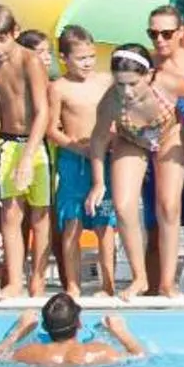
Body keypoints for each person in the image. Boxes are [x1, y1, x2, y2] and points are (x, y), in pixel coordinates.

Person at [0, 4, 54, 300]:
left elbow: (42, 112)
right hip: (9, 143)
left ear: (15, 33)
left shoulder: (29, 61)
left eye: (1, 39)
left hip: (35, 145)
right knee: (10, 214)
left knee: (40, 215)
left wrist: (28, 156)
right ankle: (14, 281)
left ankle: (37, 279)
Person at [90, 45, 177, 297]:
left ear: (149, 75)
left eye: (132, 84)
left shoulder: (167, 84)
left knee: (169, 206)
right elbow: (97, 140)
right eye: (119, 84)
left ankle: (167, 283)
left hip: (169, 136)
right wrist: (98, 182)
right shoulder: (110, 102)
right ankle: (140, 278)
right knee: (123, 205)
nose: (126, 92)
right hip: (132, 139)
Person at [142, 5, 184, 294]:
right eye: (153, 33)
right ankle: (154, 291)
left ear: (181, 32)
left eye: (167, 33)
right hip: (156, 150)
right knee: (157, 225)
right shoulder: (145, 65)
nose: (160, 40)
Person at [48, 25, 117, 298]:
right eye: (81, 58)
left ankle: (108, 284)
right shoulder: (59, 88)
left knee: (105, 222)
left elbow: (118, 116)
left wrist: (110, 139)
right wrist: (76, 147)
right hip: (73, 160)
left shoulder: (104, 81)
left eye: (91, 56)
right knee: (72, 222)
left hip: (103, 158)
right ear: (64, 58)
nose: (88, 63)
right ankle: (73, 285)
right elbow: (52, 129)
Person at [0, 293, 146, 366]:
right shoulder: (100, 352)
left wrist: (20, 330)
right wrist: (121, 332)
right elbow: (140, 356)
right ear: (78, 323)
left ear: (44, 327)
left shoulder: (30, 353)